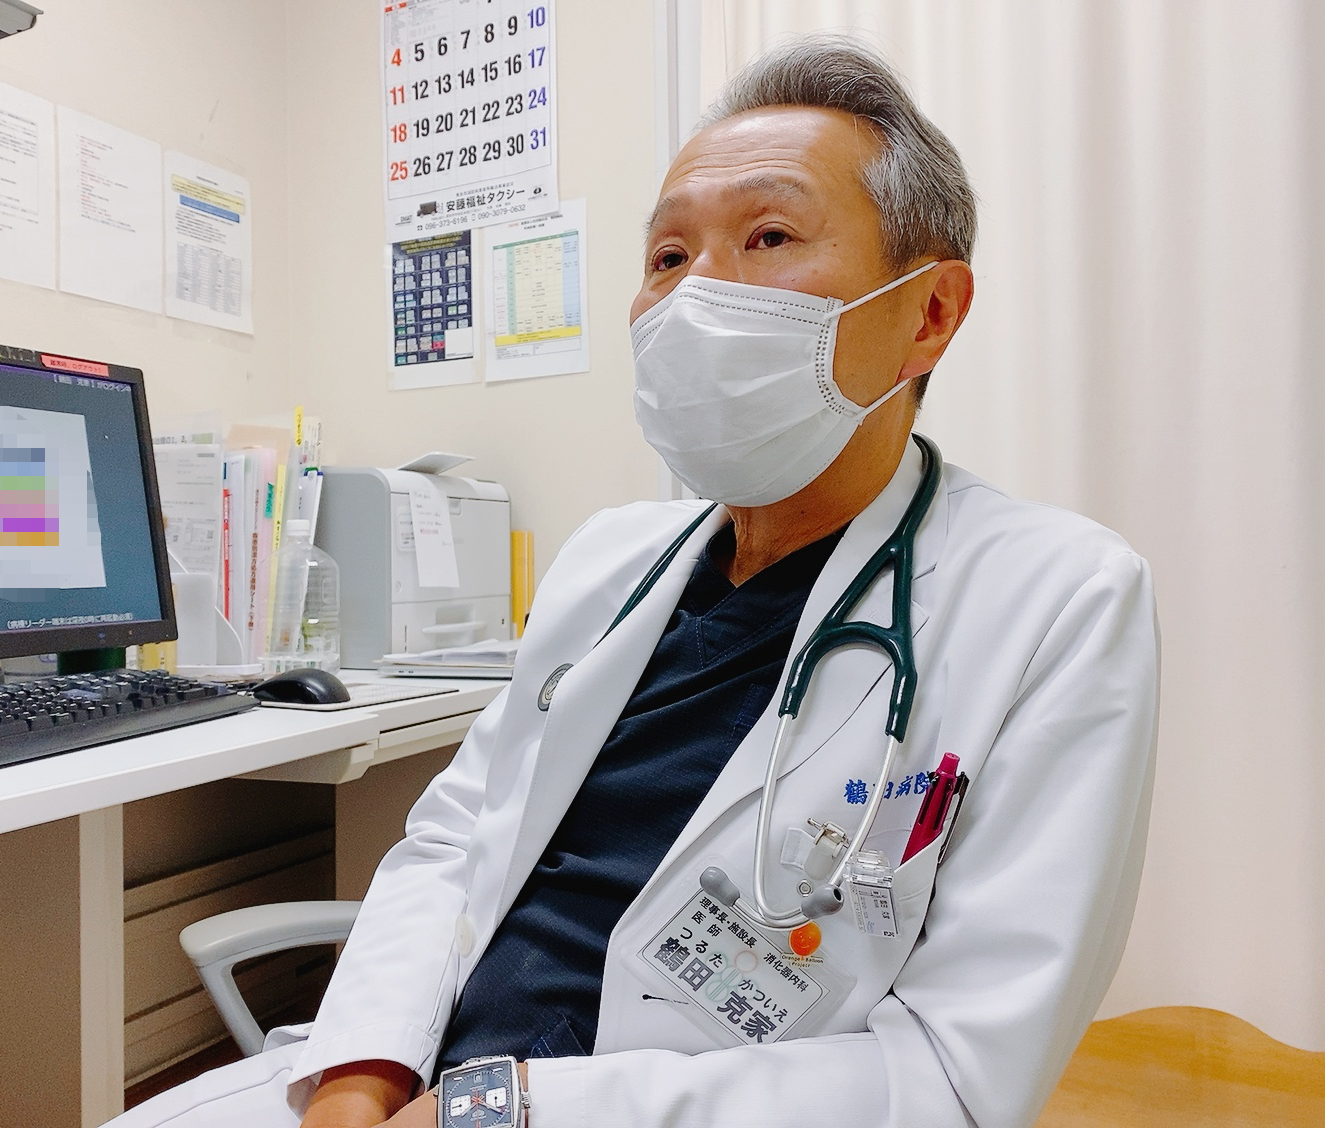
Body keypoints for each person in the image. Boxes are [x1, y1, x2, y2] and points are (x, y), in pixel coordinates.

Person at [117, 34, 1159, 1128]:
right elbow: (455, 842)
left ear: (929, 313)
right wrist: (360, 1076)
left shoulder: (1056, 602)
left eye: (768, 236)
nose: (692, 294)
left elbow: (951, 1080)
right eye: (666, 256)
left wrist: (500, 1112)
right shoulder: (612, 558)